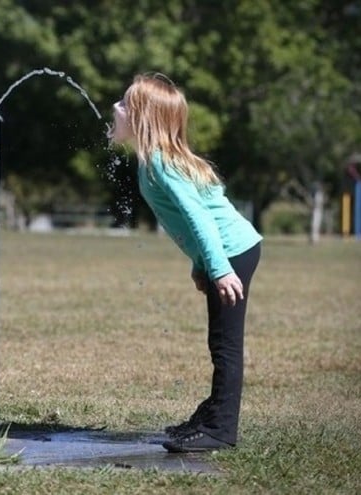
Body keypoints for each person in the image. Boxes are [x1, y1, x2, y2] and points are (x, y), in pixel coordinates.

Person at [107, 73, 262, 453]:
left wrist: (219, 268)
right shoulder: (153, 161)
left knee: (225, 344)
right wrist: (201, 265)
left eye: (125, 104)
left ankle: (221, 430)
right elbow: (201, 212)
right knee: (219, 342)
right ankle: (209, 417)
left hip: (232, 253)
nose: (115, 107)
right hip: (224, 254)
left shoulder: (160, 163)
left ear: (143, 118)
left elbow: (200, 219)